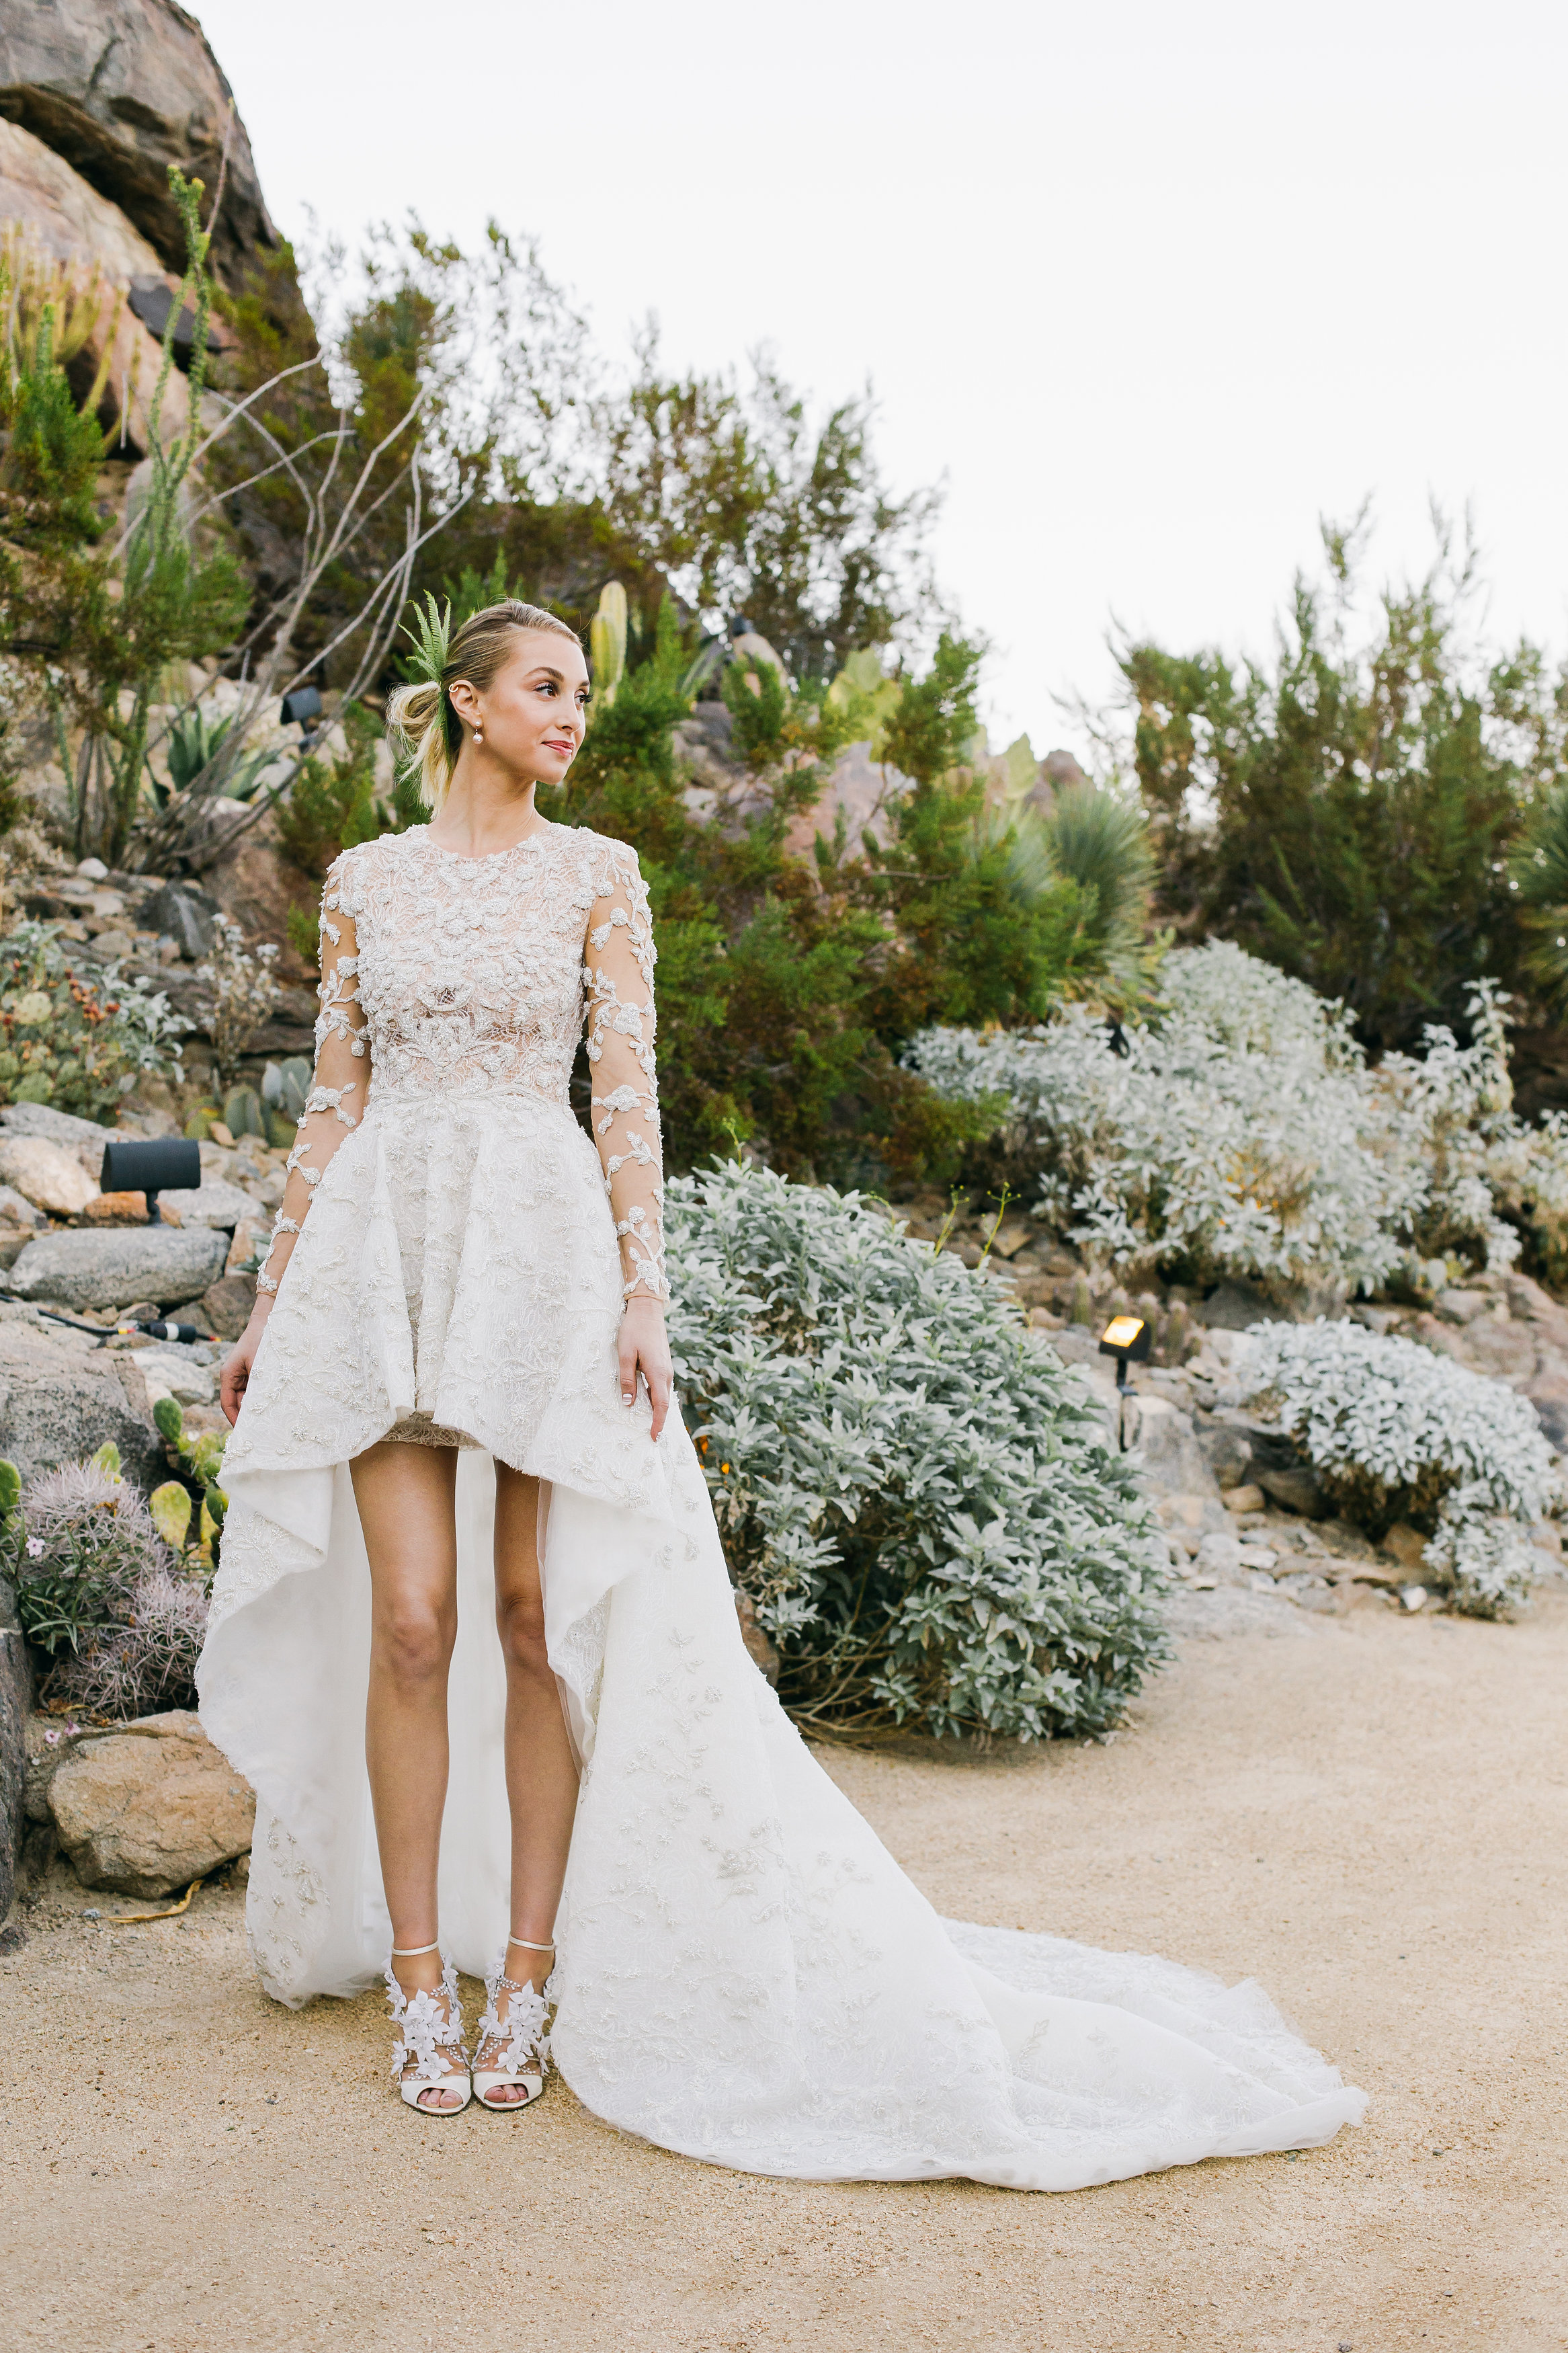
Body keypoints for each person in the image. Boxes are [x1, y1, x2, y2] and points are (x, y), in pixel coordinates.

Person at [198, 598, 1365, 2178]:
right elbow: (334, 1098)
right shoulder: (367, 884)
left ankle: (526, 1977)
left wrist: (645, 1298)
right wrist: (272, 1305)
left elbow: (625, 1097)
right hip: (380, 1264)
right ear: (467, 704)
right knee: (412, 1623)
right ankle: (421, 1979)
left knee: (536, 1621)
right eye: (545, 688)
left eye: (585, 695)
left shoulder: (597, 876)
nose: (573, 714)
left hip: (540, 1258)